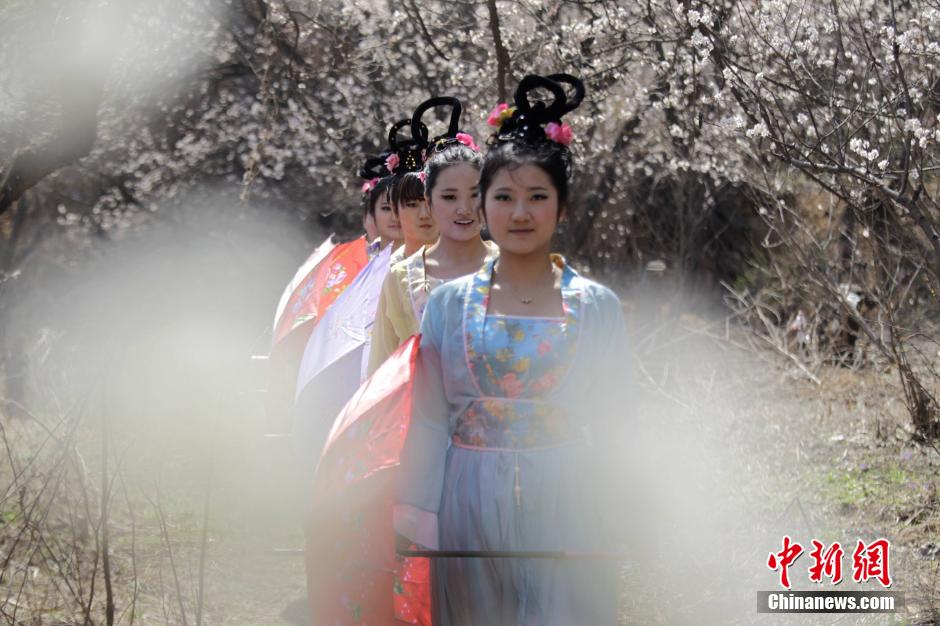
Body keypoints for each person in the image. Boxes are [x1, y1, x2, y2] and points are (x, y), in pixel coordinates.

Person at [394, 74, 632, 625]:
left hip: (570, 500)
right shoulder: (448, 306)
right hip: (466, 500)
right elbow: (428, 419)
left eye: (537, 197)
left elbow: (620, 422)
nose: (520, 213)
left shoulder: (598, 307)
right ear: (483, 206)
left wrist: (620, 512)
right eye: (503, 197)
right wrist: (417, 511)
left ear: (562, 208)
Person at [368, 97, 497, 376]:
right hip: (419, 415)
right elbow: (380, 373)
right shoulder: (399, 278)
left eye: (474, 195)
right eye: (449, 197)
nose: (463, 209)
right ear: (429, 199)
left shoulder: (513, 267)